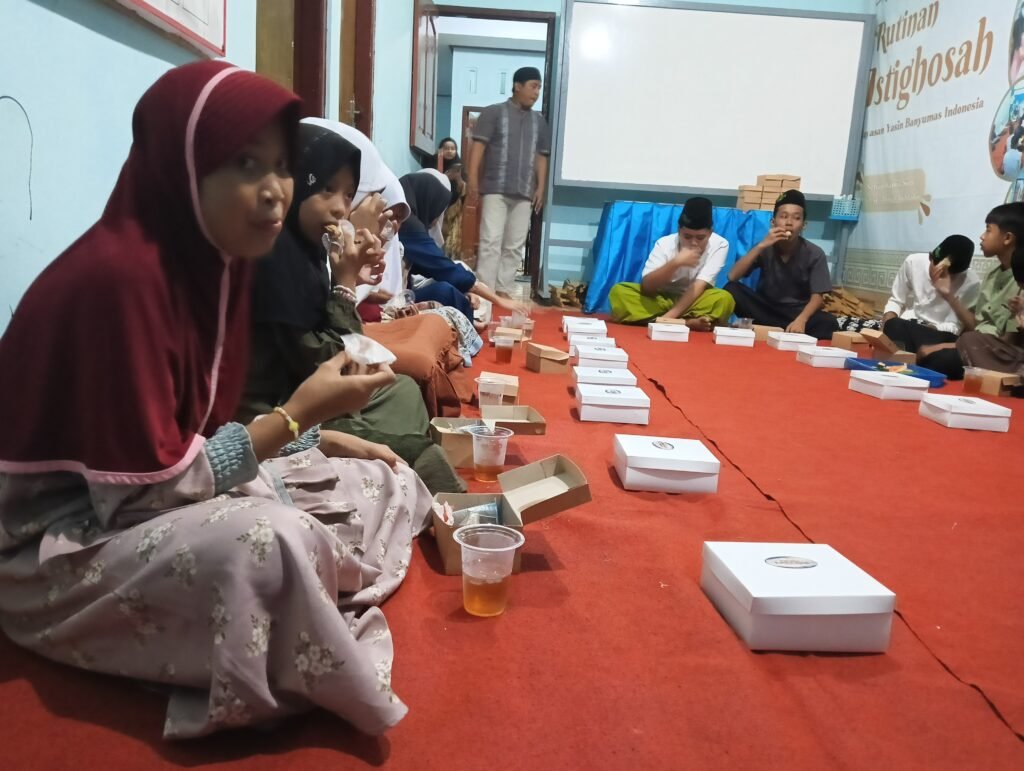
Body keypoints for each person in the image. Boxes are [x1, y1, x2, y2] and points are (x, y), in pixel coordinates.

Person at [0, 62, 432, 739]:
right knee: (271, 544)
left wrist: (315, 435)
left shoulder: (215, 266)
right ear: (183, 166)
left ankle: (300, 587)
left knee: (374, 477)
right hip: (57, 541)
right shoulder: (122, 280)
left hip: (161, 484)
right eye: (246, 164)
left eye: (283, 166)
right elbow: (139, 493)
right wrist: (298, 415)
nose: (275, 190)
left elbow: (197, 429)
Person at [240, 123, 465, 493]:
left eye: (348, 194)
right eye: (327, 189)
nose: (339, 207)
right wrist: (346, 279)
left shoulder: (306, 248)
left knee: (402, 390)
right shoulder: (275, 258)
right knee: (409, 438)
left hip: (307, 385)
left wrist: (348, 275)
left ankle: (405, 471)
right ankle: (417, 479)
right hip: (276, 408)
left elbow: (339, 340)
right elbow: (327, 360)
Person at [399, 169, 526, 324]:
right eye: (438, 210)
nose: (437, 219)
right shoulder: (407, 224)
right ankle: (469, 333)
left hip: (404, 293)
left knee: (460, 288)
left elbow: (434, 268)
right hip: (390, 300)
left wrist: (465, 289)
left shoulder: (410, 220)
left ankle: (469, 327)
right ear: (427, 200)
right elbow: (441, 267)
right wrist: (498, 300)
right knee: (446, 291)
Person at [467, 65, 550, 297]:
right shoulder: (493, 113)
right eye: (533, 86)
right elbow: (478, 147)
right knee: (490, 241)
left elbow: (541, 156)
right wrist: (472, 179)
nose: (537, 92)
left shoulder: (539, 122)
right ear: (517, 86)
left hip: (525, 192)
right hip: (495, 189)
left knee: (515, 246)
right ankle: (485, 292)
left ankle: (503, 291)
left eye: (539, 87)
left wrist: (541, 187)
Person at [724, 189, 839, 340]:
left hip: (796, 313)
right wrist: (761, 246)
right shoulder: (765, 247)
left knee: (829, 322)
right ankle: (781, 331)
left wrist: (801, 320)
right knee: (731, 289)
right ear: (773, 222)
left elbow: (817, 297)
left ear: (804, 225)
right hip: (765, 309)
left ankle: (776, 330)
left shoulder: (815, 253)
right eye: (783, 217)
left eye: (796, 218)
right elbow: (732, 276)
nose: (789, 223)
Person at [607, 197, 736, 328]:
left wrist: (666, 319)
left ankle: (655, 320)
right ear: (679, 230)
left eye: (700, 238)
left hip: (695, 300)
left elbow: (699, 286)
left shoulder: (720, 244)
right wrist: (675, 263)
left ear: (710, 233)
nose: (693, 243)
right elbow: (647, 287)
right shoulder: (664, 244)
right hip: (661, 298)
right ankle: (687, 322)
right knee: (619, 292)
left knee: (724, 299)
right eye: (687, 236)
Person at [880, 235, 981, 371]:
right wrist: (885, 329)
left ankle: (914, 359)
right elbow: (896, 300)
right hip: (910, 325)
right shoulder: (913, 262)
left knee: (950, 360)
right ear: (930, 257)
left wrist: (948, 295)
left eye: (949, 275)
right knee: (894, 325)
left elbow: (955, 326)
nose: (942, 276)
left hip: (939, 335)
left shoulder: (971, 282)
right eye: (939, 270)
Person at [953, 203, 1024, 374]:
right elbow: (975, 325)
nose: (982, 236)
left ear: (1008, 238)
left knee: (953, 352)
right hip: (982, 345)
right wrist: (948, 294)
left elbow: (1008, 341)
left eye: (988, 230)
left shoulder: (1019, 279)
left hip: (1001, 351)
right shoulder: (992, 274)